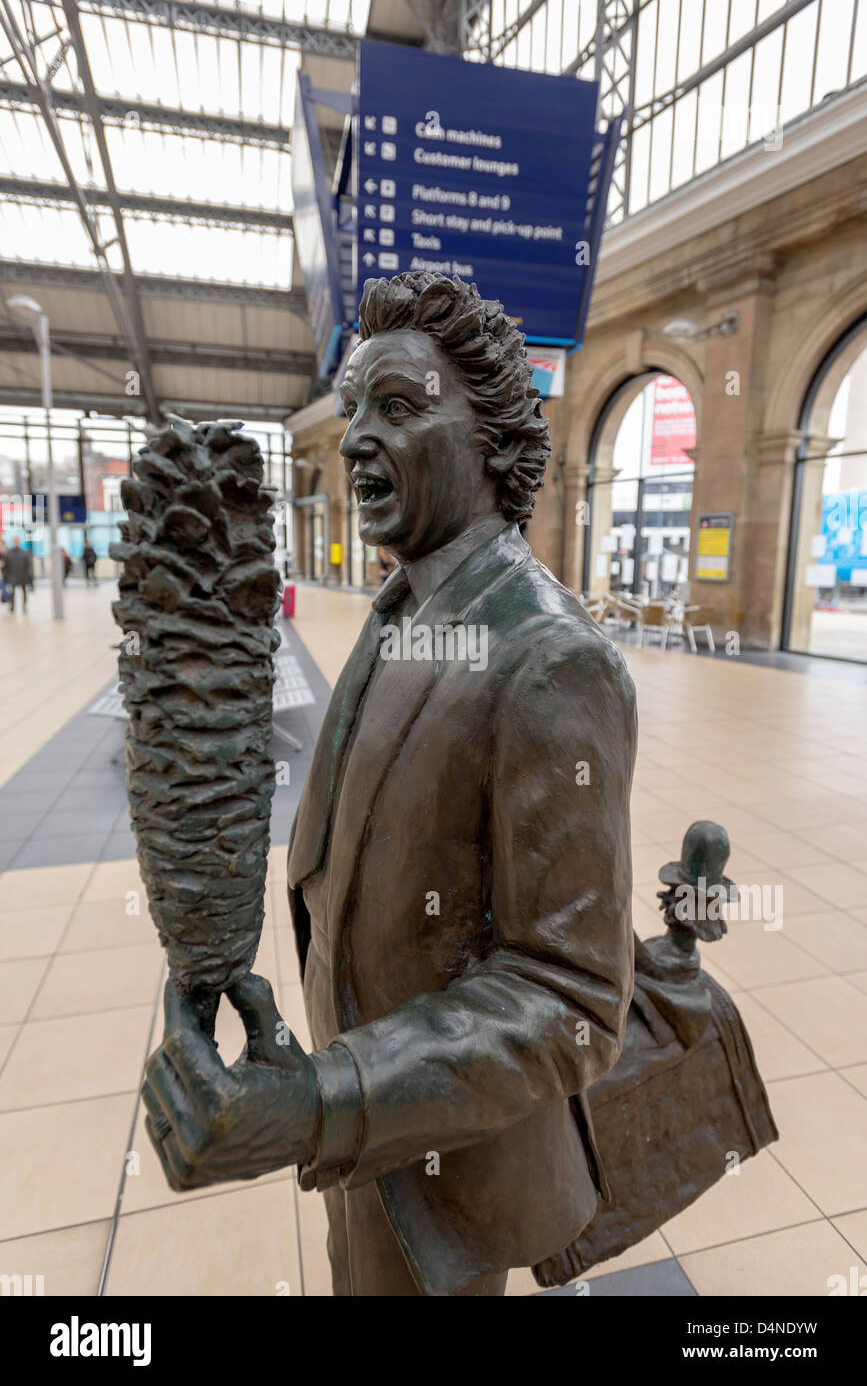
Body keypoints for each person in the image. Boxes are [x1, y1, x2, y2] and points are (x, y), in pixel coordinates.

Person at [142, 272, 637, 1296]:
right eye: (355, 403)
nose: (357, 433)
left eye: (400, 408)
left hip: (452, 1167)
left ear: (495, 445)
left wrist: (326, 1098)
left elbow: (577, 996)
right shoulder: (396, 611)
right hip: (373, 1129)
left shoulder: (549, 658)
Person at [2, 537, 33, 613]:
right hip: (12, 576)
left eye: (17, 541)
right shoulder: (9, 553)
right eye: (15, 541)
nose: (16, 543)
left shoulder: (24, 553)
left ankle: (24, 606)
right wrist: (6, 576)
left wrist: (29, 576)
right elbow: (5, 566)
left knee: (24, 592)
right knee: (12, 593)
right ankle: (12, 605)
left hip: (23, 576)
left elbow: (28, 565)